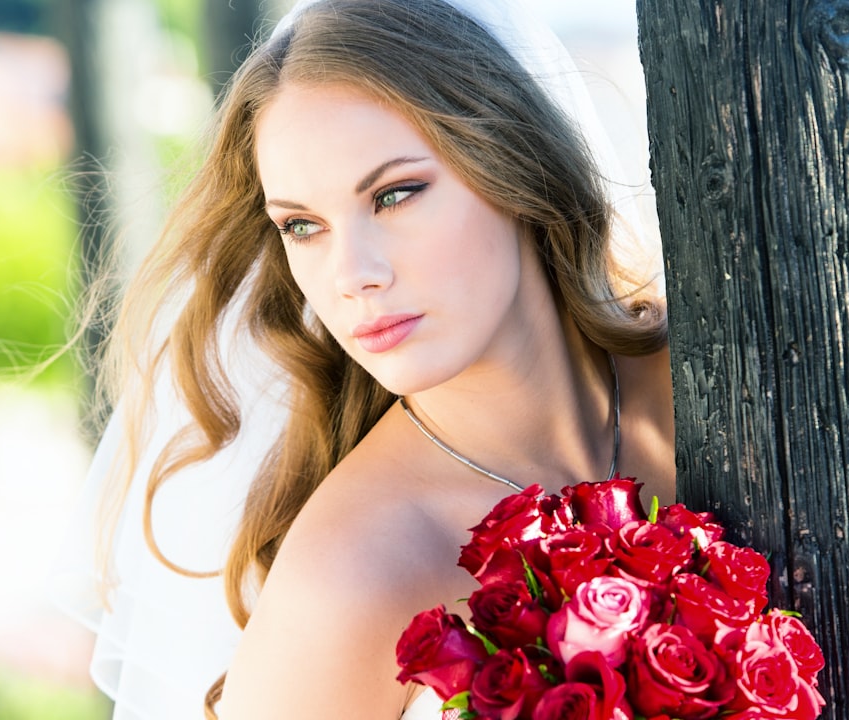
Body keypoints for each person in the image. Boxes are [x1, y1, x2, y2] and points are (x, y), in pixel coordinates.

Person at [52, 0, 674, 717]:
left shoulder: (719, 380)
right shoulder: (349, 578)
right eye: (302, 225)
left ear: (515, 162)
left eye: (394, 195)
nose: (351, 275)